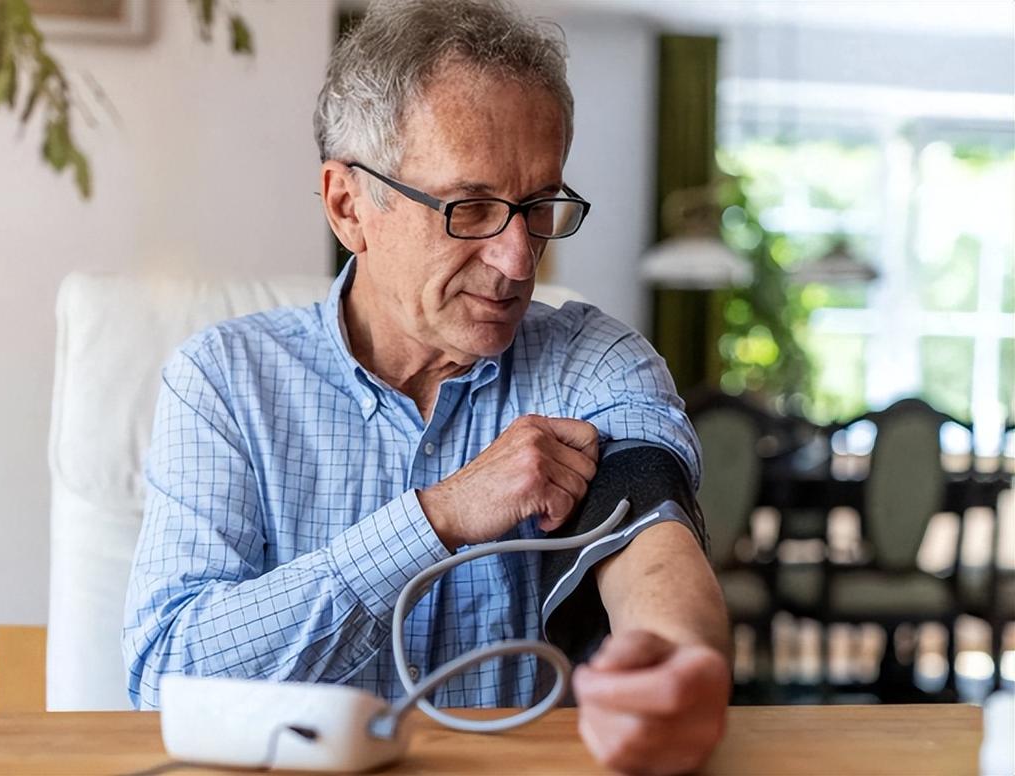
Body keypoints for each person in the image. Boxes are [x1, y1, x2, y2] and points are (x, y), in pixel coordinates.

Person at [123, 0, 731, 772]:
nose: (519, 260)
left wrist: (679, 665)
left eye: (539, 205)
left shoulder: (595, 361)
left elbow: (652, 539)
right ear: (350, 206)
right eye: (470, 208)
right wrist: (438, 517)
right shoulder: (226, 384)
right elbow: (165, 681)